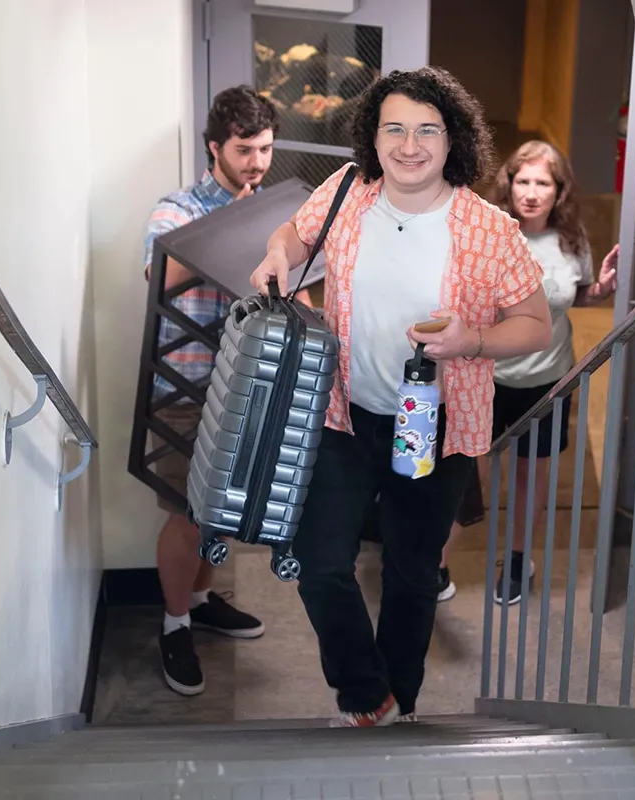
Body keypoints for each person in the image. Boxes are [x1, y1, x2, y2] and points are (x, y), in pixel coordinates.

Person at [249, 66, 553, 727]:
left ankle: (399, 706)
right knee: (320, 563)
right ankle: (368, 695)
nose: (408, 145)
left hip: (432, 425)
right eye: (394, 128)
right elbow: (295, 235)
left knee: (411, 573)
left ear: (452, 141)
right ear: (373, 135)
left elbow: (537, 325)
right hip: (342, 414)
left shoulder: (488, 228)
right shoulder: (349, 193)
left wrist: (471, 339)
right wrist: (278, 252)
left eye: (426, 130)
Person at [143, 85, 313, 697]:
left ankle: (203, 601)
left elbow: (301, 285)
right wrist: (231, 220)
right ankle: (174, 623)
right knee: (187, 516)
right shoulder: (178, 208)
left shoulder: (278, 212)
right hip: (187, 385)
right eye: (245, 149)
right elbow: (155, 273)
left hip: (249, 383)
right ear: (215, 146)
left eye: (266, 149)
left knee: (230, 508)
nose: (257, 163)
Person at [436, 140, 618, 606]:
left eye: (544, 183)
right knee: (461, 475)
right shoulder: (487, 233)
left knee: (527, 477)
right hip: (484, 374)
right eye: (524, 181)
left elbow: (573, 298)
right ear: (509, 184)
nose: (532, 192)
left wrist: (600, 289)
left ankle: (517, 560)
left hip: (546, 380)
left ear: (559, 193)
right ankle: (434, 563)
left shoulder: (571, 239)